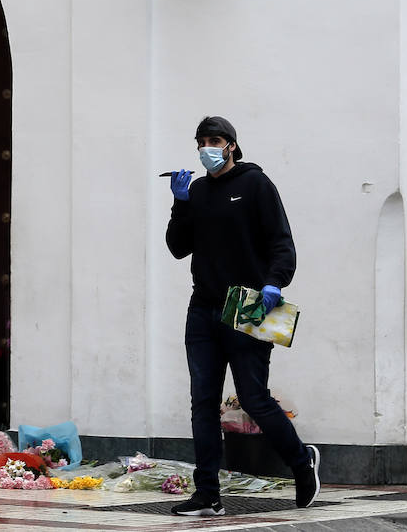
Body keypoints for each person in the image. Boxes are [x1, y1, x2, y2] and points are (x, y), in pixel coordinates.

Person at [162, 116, 319, 517]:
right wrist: (180, 204)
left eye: (214, 140)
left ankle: (302, 463)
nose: (206, 149)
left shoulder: (255, 185)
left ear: (232, 145)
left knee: (254, 397)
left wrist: (274, 282)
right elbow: (178, 247)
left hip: (247, 304)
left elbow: (282, 242)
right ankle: (207, 494)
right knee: (202, 402)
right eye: (200, 142)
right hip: (203, 309)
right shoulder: (196, 191)